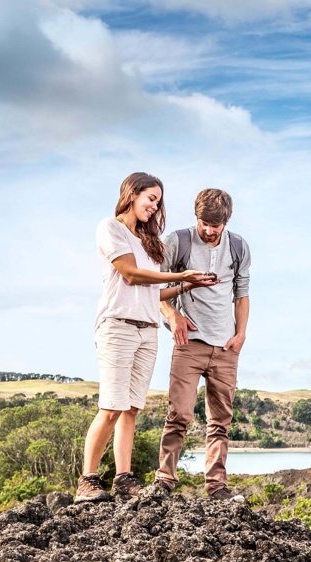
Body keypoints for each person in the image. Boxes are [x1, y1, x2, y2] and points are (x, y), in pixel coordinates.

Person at [77, 172, 217, 503]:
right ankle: (88, 480)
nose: (154, 207)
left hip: (148, 329)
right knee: (111, 407)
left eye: (158, 201)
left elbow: (154, 291)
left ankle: (123, 479)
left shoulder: (148, 243)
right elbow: (131, 274)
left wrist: (188, 285)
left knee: (131, 409)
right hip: (118, 326)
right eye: (150, 198)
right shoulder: (110, 228)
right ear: (132, 193)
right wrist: (180, 273)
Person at [148, 188, 251, 502]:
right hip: (189, 343)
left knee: (220, 421)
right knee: (178, 415)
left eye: (215, 226)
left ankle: (217, 487)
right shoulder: (177, 242)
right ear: (197, 218)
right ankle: (164, 481)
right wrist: (172, 316)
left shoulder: (238, 247)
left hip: (226, 347)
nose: (209, 230)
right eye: (204, 223)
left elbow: (242, 294)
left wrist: (241, 334)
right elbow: (154, 288)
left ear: (226, 222)